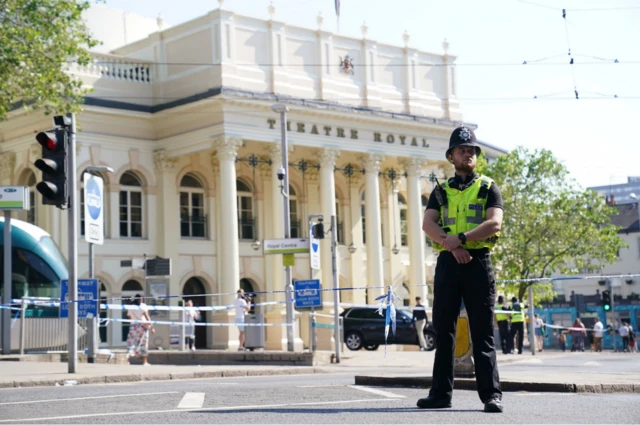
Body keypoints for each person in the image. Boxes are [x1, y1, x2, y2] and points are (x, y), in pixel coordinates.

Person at [419, 125, 504, 413]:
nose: (467, 154)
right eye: (462, 150)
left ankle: (491, 395)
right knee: (444, 330)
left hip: (478, 262)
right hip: (448, 262)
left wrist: (464, 239)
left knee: (482, 331)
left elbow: (495, 223)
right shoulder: (441, 191)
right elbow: (427, 224)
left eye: (471, 151)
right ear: (451, 156)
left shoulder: (488, 187)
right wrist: (452, 245)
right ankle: (440, 394)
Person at [125, 294, 154, 366]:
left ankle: (127, 359)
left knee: (131, 342)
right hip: (143, 326)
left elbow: (128, 316)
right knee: (143, 343)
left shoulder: (131, 307)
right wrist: (152, 326)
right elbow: (147, 316)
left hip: (133, 326)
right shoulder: (143, 306)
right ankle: (144, 362)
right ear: (141, 299)